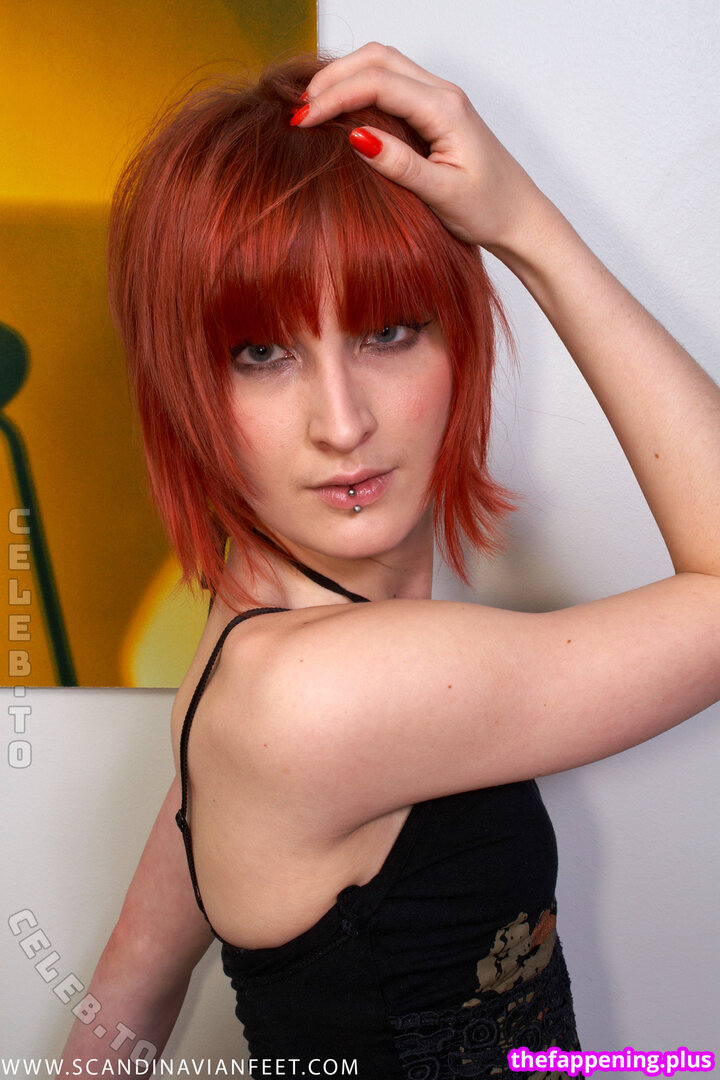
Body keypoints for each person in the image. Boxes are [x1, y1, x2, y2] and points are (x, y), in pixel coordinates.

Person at [63, 43, 720, 1076]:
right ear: (187, 388)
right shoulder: (319, 696)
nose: (342, 423)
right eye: (261, 353)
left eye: (388, 332)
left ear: (458, 339)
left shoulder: (248, 644)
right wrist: (524, 225)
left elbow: (135, 973)